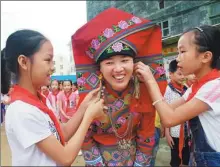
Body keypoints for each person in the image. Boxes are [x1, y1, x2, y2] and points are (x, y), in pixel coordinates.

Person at [72, 8, 167, 166]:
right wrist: (97, 163)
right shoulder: (91, 96)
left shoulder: (142, 92)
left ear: (134, 63)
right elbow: (85, 135)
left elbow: (147, 134)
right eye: (109, 63)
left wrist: (139, 164)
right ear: (99, 69)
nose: (118, 69)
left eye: (124, 60)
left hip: (134, 159)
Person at [2, 29, 106, 166]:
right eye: (47, 60)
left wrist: (85, 106)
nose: (52, 67)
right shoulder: (22, 110)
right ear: (23, 62)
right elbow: (65, 157)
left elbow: (63, 132)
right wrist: (89, 117)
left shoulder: (39, 101)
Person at [134, 25, 220, 166]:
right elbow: (168, 108)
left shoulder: (214, 87)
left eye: (182, 51)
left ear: (205, 56)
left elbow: (170, 118)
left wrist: (151, 80)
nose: (177, 58)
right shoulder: (196, 88)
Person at [164, 60, 190, 167]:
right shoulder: (168, 90)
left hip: (187, 132)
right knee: (175, 159)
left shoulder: (186, 89)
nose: (182, 76)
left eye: (184, 74)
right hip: (174, 133)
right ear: (171, 74)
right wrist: (167, 133)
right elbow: (165, 113)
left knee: (186, 158)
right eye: (179, 74)